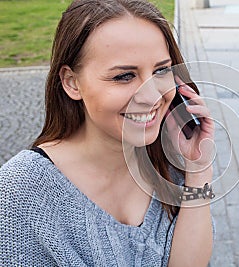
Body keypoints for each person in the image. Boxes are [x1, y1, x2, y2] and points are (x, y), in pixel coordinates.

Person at [0, 0, 215, 266]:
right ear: (71, 82)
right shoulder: (20, 192)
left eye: (161, 70)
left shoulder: (169, 169)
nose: (151, 96)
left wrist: (198, 171)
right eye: (124, 76)